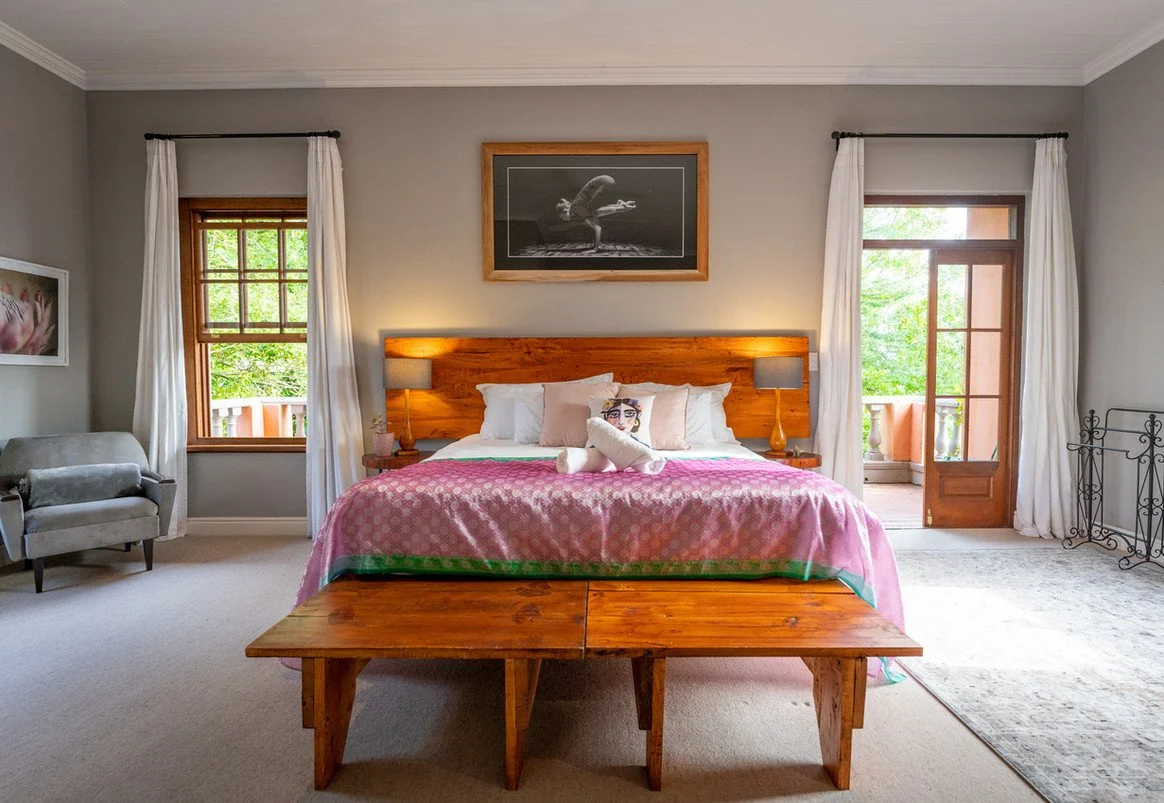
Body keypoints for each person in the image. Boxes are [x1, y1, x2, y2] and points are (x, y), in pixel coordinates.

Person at [556, 174, 637, 253]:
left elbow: (597, 227)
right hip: (604, 182)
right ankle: (623, 203)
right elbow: (597, 227)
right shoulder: (582, 212)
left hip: (603, 182)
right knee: (616, 209)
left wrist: (595, 249)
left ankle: (624, 204)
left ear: (565, 212)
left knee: (617, 209)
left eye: (562, 218)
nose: (564, 220)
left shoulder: (576, 208)